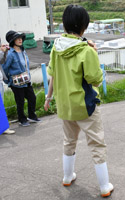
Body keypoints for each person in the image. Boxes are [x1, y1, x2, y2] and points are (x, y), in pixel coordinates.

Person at [44, 5, 113, 197]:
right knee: (97, 144)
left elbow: (53, 76)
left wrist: (48, 98)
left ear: (65, 25)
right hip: (86, 106)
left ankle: (67, 177)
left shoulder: (55, 48)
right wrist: (94, 53)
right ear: (84, 26)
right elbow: (96, 79)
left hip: (65, 106)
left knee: (69, 141)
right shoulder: (87, 50)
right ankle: (104, 186)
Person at [2, 31, 40, 127]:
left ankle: (31, 115)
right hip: (16, 82)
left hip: (26, 80)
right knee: (20, 101)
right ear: (12, 41)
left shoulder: (23, 51)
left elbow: (25, 65)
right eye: (17, 38)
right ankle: (22, 119)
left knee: (32, 97)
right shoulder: (10, 54)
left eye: (21, 38)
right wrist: (8, 81)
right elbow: (5, 68)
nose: (20, 40)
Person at [0, 39, 15, 134]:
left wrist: (4, 52)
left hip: (0, 81)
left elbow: (2, 61)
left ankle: (3, 127)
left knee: (1, 105)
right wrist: (1, 51)